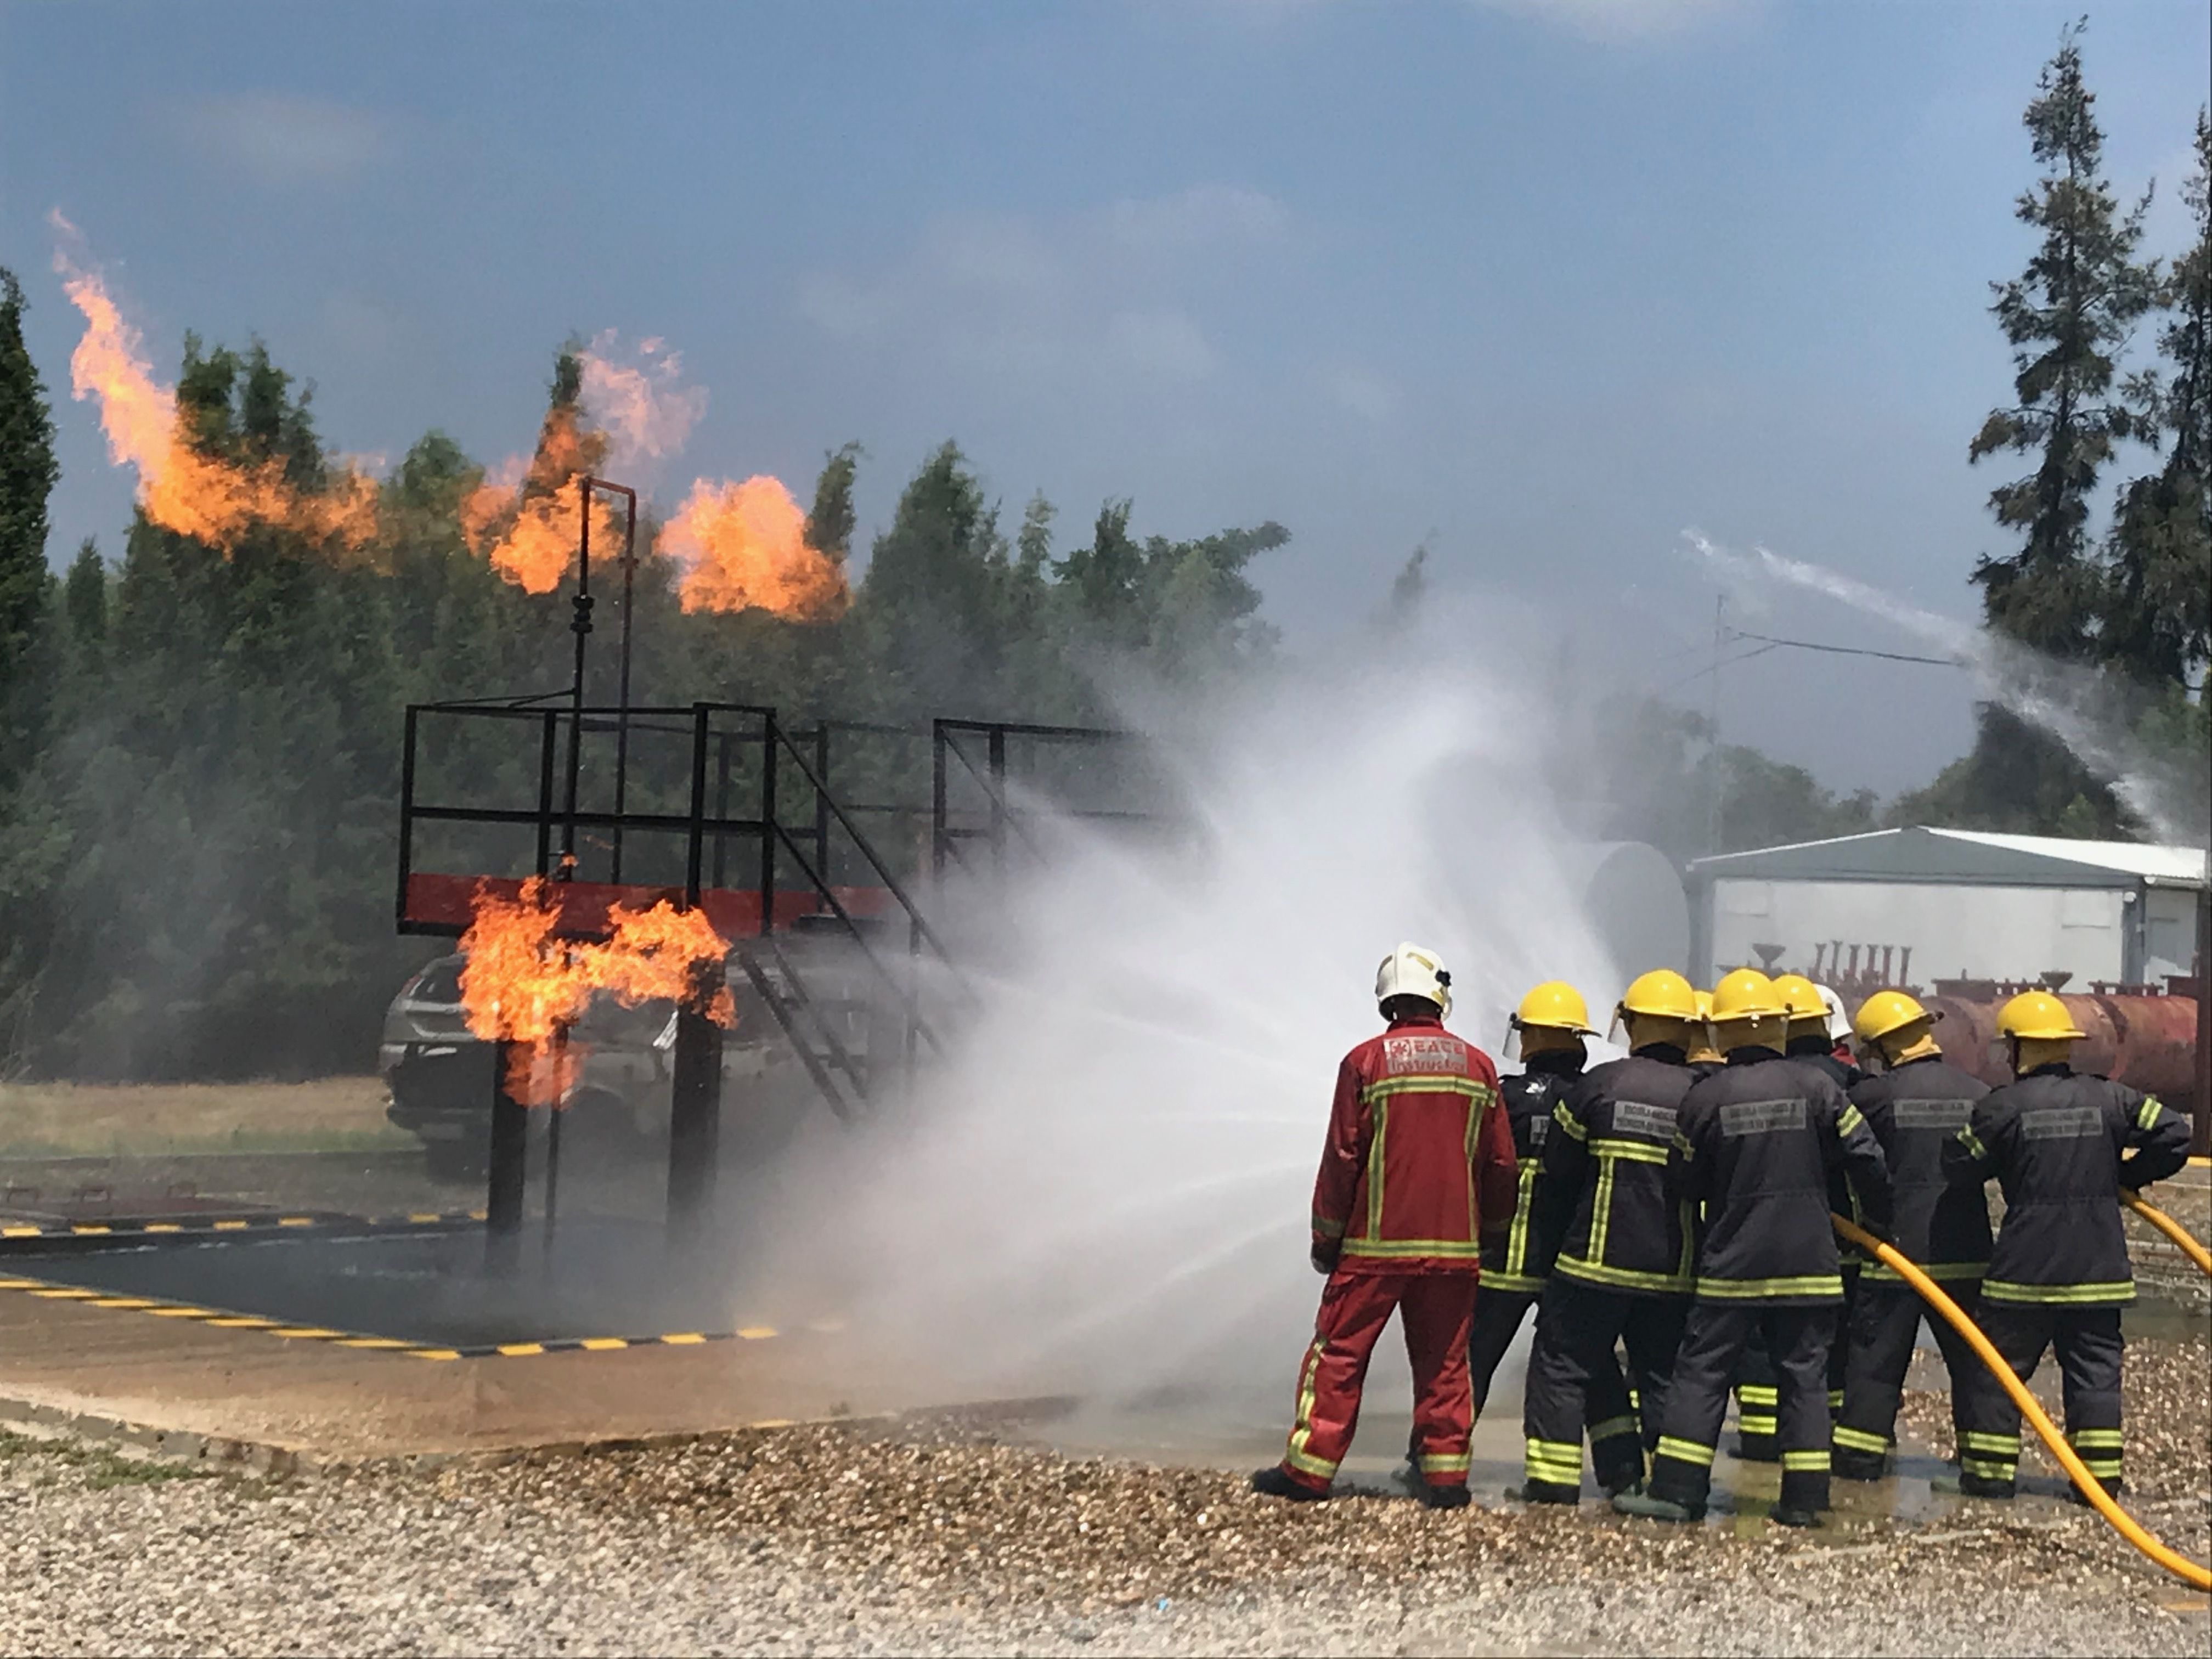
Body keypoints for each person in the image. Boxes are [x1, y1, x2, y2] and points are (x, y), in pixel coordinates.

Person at [1615, 968, 1891, 1529]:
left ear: (1721, 1032)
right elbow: (1868, 1160)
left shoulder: (1705, 1097)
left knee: (1703, 1372)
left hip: (1732, 1264)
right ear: (1780, 1029)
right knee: (1805, 1377)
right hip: (1810, 1263)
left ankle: (1677, 1491)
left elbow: (1682, 1182)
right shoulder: (1821, 1089)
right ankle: (1806, 1499)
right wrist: (1874, 1228)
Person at [1253, 943, 1516, 1510]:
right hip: (1453, 1251)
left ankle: (1308, 1472)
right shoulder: (1478, 1067)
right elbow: (1500, 1165)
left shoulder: (1365, 1063)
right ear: (1439, 994)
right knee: (1447, 1364)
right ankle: (1446, 1481)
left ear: (1387, 1000)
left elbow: (1341, 1159)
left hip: (1373, 1249)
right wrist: (1493, 1233)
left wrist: (1326, 1239)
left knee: (1340, 1356)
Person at [1940, 989, 2192, 1501]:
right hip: (2099, 1268)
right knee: (2095, 1374)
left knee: (1997, 1372)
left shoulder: (2003, 1107)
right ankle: (2098, 1480)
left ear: (2018, 1049)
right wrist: (2122, 1176)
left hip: (2024, 1271)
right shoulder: (2112, 1097)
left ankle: (1988, 1474)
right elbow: (2173, 1135)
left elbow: (1960, 1164)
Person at [1518, 968, 1702, 1505]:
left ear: (1634, 1023)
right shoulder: (1701, 1096)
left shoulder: (1601, 1085)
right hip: (1673, 1270)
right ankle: (1666, 1484)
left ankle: (1552, 1484)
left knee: (1562, 1364)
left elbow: (1558, 1172)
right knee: (1663, 1375)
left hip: (1592, 1265)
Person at [1830, 990, 1990, 1481]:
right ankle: (1984, 1464)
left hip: (1892, 1254)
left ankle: (1859, 1462)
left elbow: (1845, 1161)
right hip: (1966, 1254)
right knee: (1974, 1366)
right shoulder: (1978, 1094)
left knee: (1875, 1365)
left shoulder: (1871, 1098)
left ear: (1880, 1048)